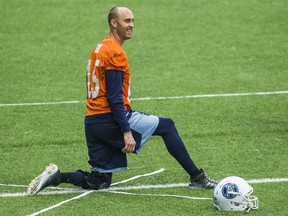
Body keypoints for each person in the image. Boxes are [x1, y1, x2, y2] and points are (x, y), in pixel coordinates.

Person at [27, 6, 217, 195]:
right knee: (167, 126)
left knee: (99, 181)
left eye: (133, 21)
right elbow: (114, 97)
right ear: (113, 23)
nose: (131, 25)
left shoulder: (99, 48)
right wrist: (126, 131)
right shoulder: (115, 53)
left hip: (93, 122)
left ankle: (58, 177)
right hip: (110, 118)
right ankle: (197, 177)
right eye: (127, 21)